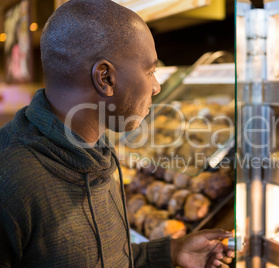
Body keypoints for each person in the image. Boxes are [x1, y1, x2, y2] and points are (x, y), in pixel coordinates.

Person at [0, 0, 235, 267]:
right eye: (150, 71)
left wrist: (172, 251)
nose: (156, 86)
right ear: (105, 78)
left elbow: (101, 257)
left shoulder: (95, 151)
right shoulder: (10, 182)